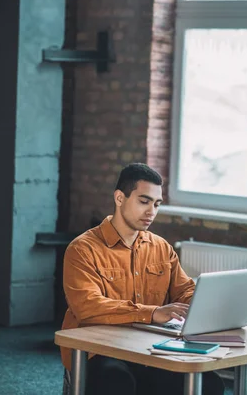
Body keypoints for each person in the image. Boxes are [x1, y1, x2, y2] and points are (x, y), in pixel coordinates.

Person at [60, 163, 225, 395]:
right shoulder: (82, 249)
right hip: (102, 351)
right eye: (144, 201)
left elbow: (184, 290)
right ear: (119, 198)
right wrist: (152, 312)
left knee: (210, 383)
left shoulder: (160, 247)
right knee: (116, 380)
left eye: (157, 204)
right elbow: (87, 306)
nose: (152, 212)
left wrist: (204, 303)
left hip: (150, 348)